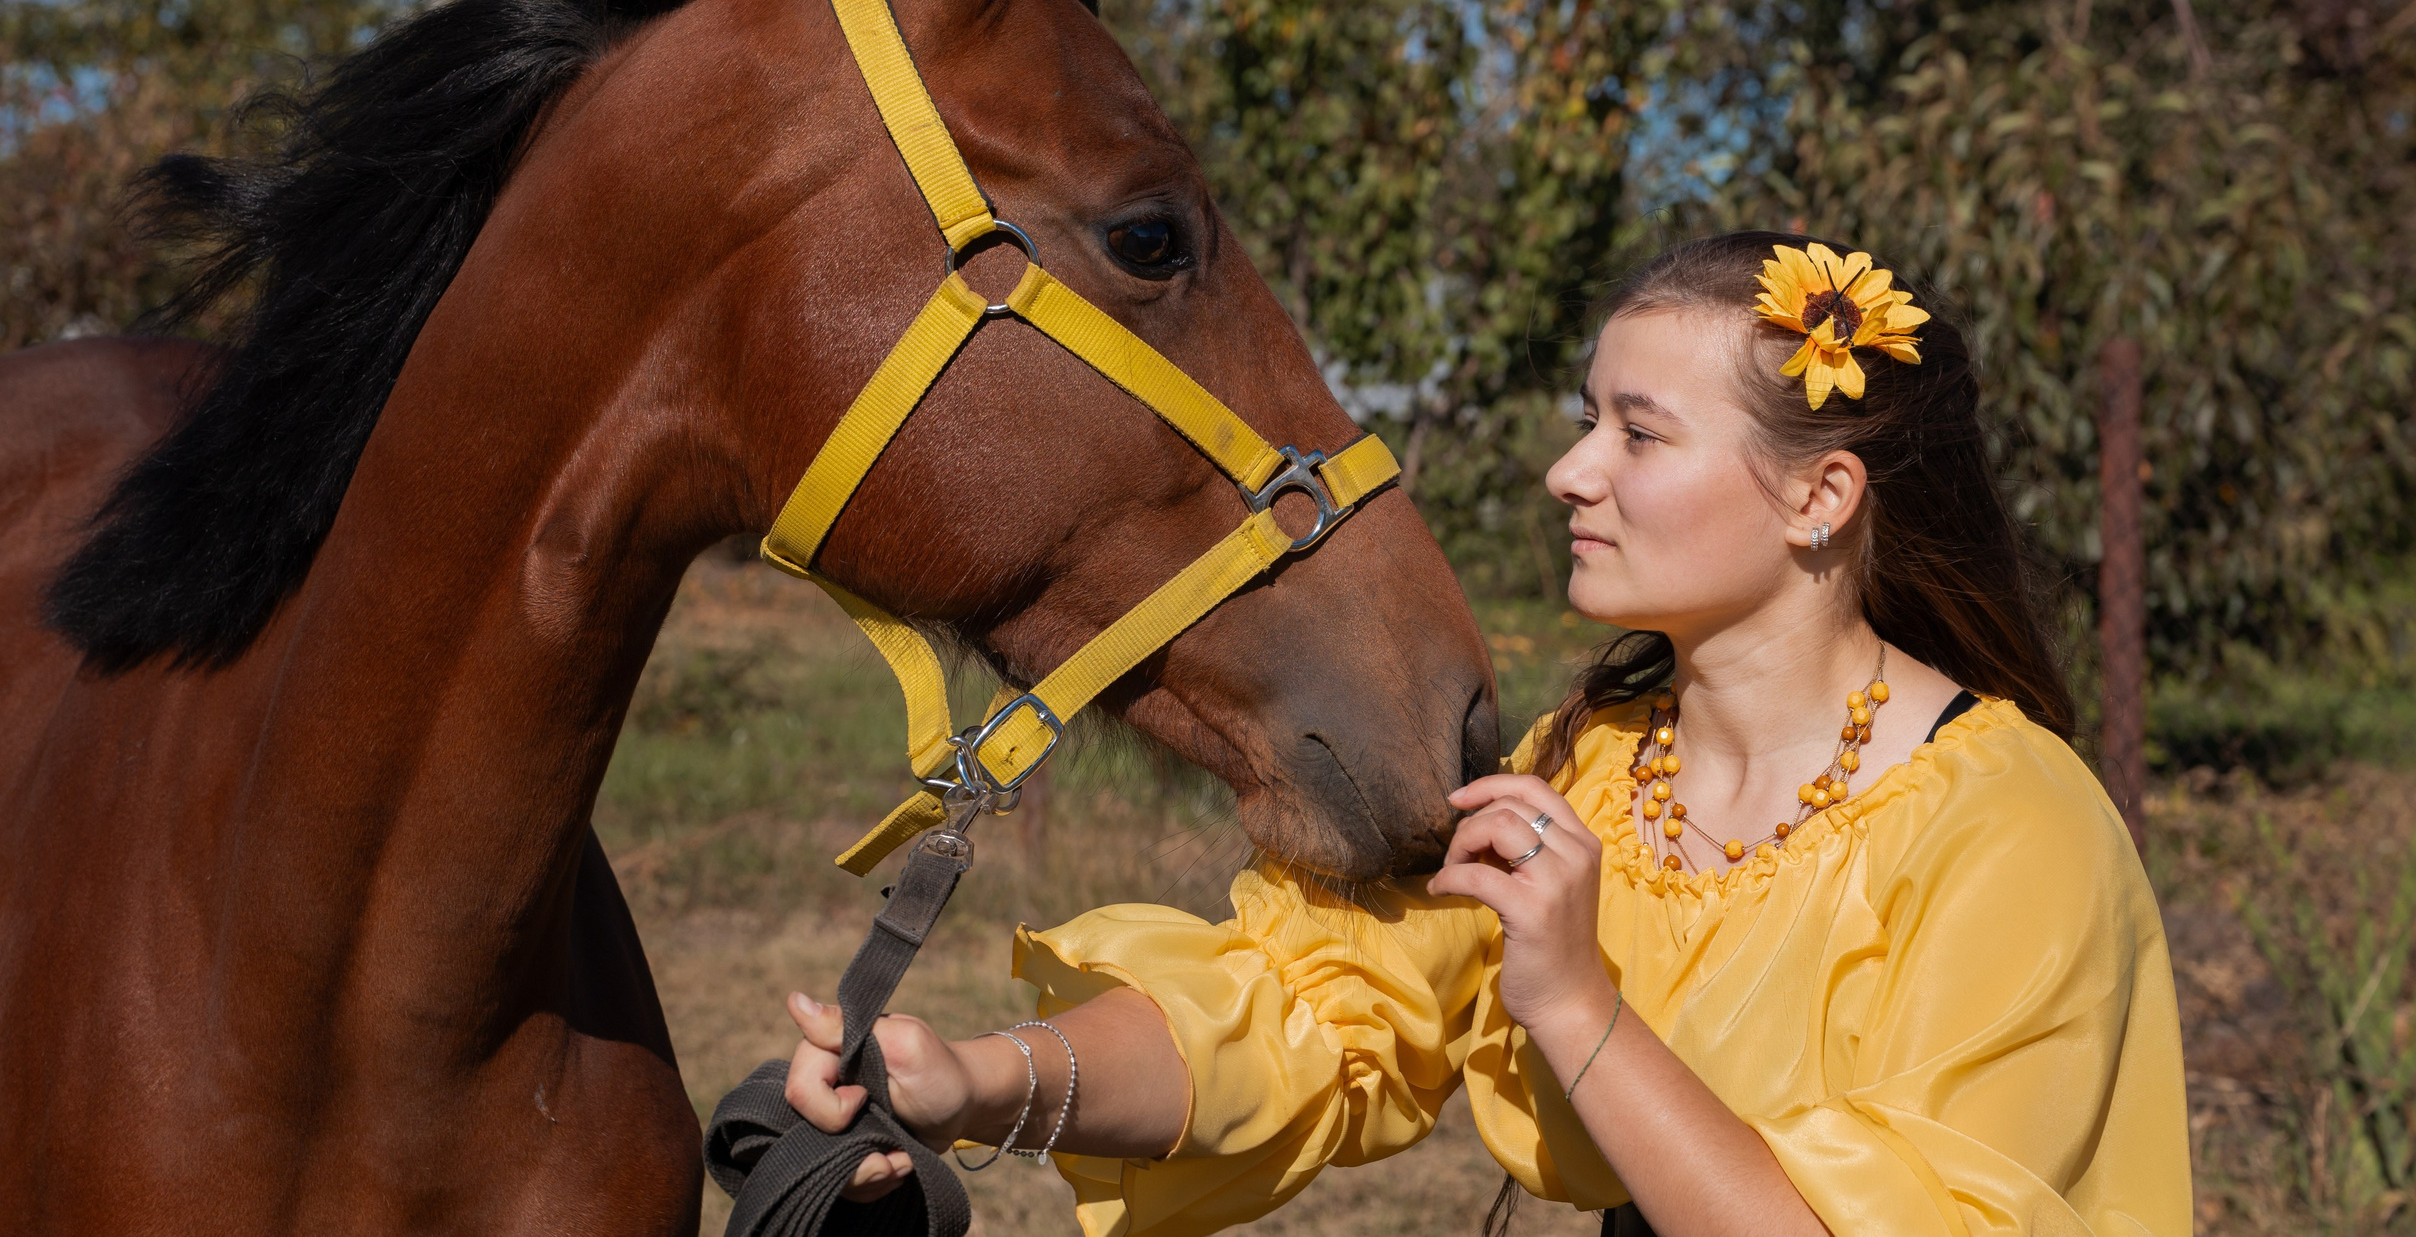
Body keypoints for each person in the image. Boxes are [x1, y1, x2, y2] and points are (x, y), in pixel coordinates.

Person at [779, 231, 2192, 1236]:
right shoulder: (1584, 768)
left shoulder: (2008, 823)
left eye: (1639, 434)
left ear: (1820, 496)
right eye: (1589, 421)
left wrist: (1576, 1005)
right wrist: (973, 1080)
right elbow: (1309, 1017)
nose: (1568, 471)